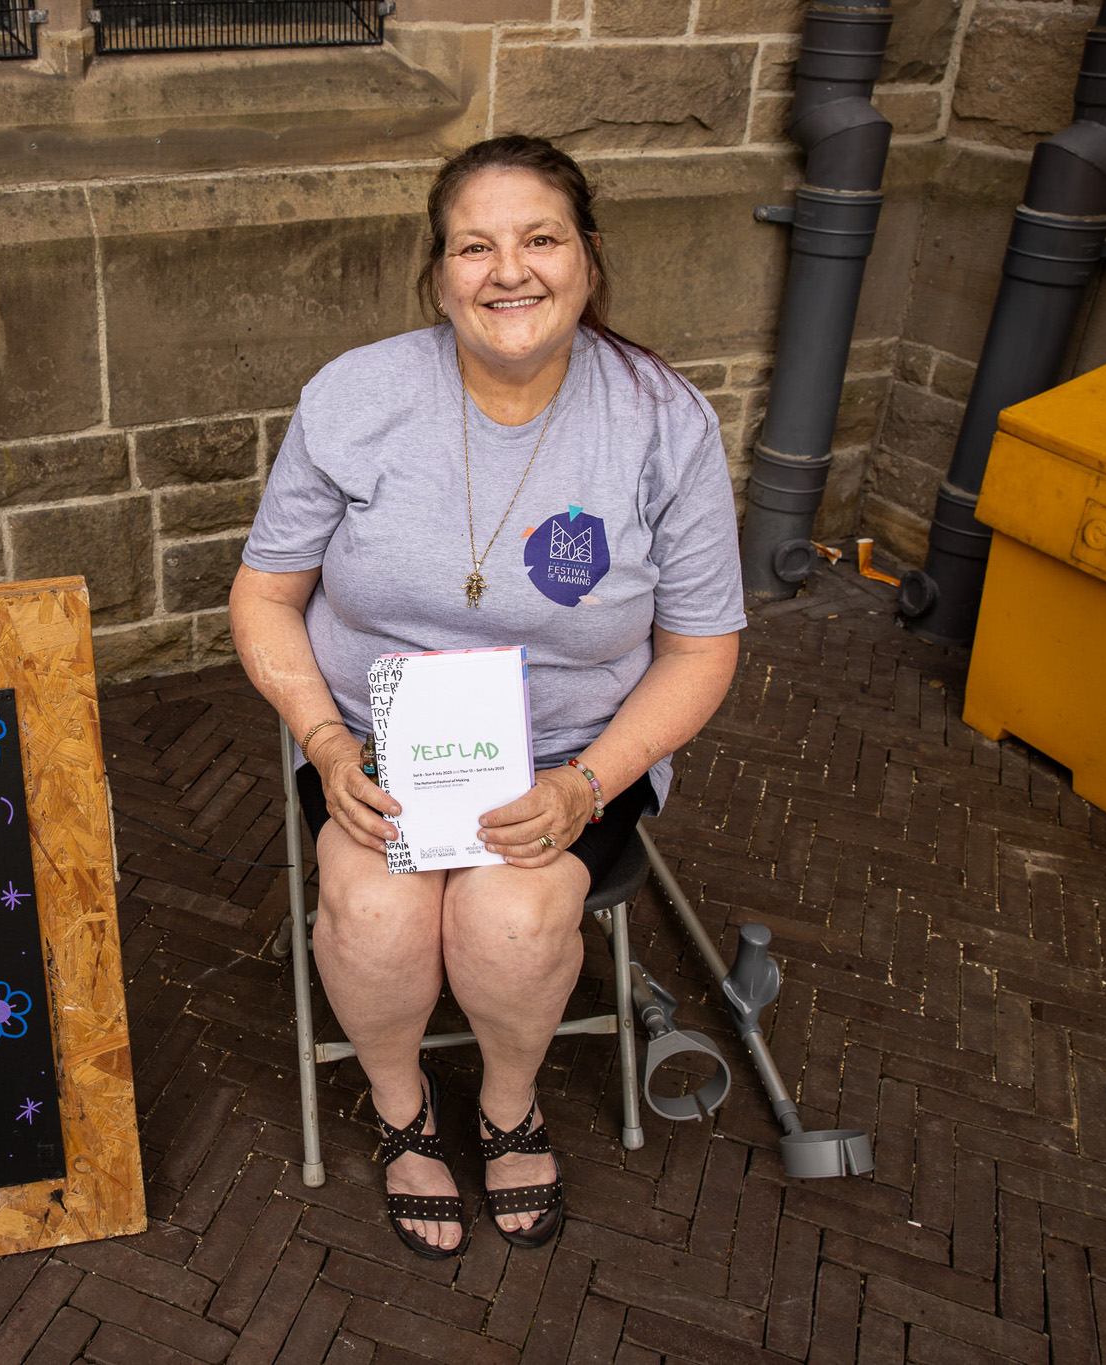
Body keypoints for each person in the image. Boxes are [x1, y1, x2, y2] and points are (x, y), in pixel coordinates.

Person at [229, 135, 745, 1258]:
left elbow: (700, 649)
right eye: (475, 246)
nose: (508, 271)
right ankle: (403, 1107)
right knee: (373, 911)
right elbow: (264, 599)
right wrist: (321, 741)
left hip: (569, 757)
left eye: (539, 239)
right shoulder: (355, 397)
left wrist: (584, 784)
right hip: (373, 748)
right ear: (438, 272)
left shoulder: (662, 422)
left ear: (588, 260)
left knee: (507, 923)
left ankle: (508, 1103)